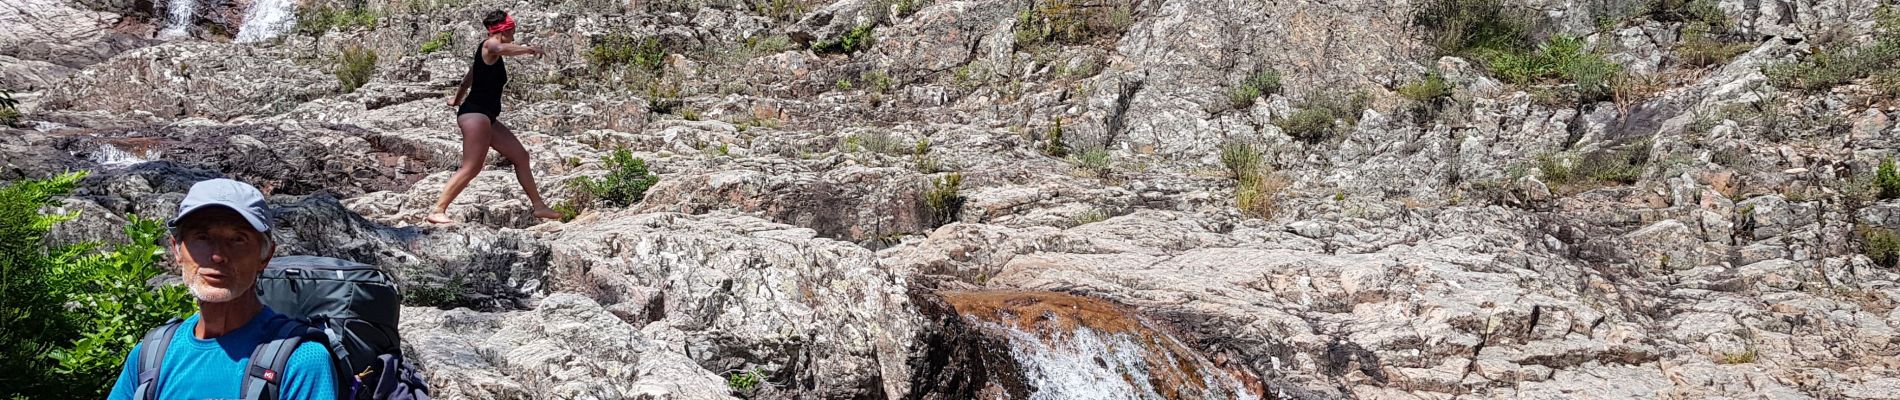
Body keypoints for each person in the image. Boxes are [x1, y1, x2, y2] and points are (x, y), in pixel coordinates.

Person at [107, 179, 336, 399]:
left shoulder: (301, 360)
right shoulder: (149, 357)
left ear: (266, 255)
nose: (217, 256)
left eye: (238, 239)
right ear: (176, 249)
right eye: (202, 237)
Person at [431, 9, 561, 224]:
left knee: (521, 156)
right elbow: (499, 47)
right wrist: (529, 49)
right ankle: (438, 210)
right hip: (476, 116)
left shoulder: (487, 56)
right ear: (505, 30)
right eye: (513, 31)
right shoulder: (490, 45)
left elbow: (468, 79)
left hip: (485, 117)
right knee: (472, 166)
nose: (514, 35)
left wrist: (456, 100)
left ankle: (539, 206)